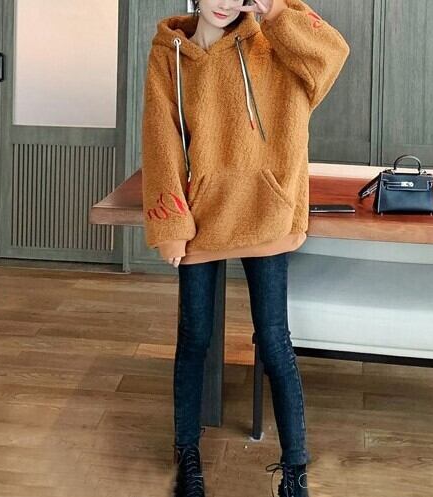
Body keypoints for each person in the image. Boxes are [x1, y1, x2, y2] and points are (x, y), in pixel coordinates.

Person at [141, 1, 350, 495]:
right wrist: (171, 221)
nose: (224, 2)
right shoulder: (170, 52)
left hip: (266, 209)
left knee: (275, 340)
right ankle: (188, 457)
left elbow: (331, 54)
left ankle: (295, 472)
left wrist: (276, 9)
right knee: (194, 339)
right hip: (202, 217)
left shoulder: (272, 42)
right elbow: (161, 139)